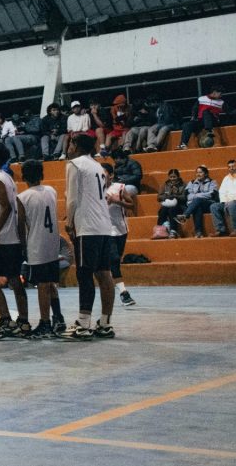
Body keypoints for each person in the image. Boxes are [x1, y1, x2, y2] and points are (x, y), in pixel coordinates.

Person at [63, 133, 117, 340]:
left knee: (84, 274)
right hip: (104, 225)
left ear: (75, 145)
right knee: (104, 274)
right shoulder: (98, 166)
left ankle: (83, 324)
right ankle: (105, 323)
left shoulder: (75, 164)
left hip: (87, 226)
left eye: (70, 143)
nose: (68, 147)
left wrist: (69, 223)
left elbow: (73, 198)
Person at [0, 142, 30, 340]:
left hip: (2, 240)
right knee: (14, 281)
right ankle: (23, 322)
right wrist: (22, 238)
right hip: (14, 239)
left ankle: (6, 321)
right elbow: (17, 209)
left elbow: (7, 207)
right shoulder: (8, 178)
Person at [16, 160, 63, 339]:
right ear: (42, 175)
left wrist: (22, 246)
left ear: (24, 177)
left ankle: (45, 323)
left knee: (42, 285)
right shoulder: (51, 190)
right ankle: (58, 317)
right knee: (51, 282)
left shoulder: (23, 197)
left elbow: (21, 225)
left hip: (37, 243)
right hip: (52, 241)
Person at [103, 163, 138, 307]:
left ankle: (112, 285)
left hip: (121, 230)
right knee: (114, 260)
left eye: (103, 174)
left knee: (116, 261)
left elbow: (131, 205)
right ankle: (124, 293)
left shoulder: (119, 188)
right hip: (105, 231)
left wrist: (117, 202)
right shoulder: (95, 190)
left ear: (110, 175)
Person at [176, 166, 218, 238]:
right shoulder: (192, 182)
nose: (198, 174)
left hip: (208, 204)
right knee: (197, 207)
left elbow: (211, 194)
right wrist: (198, 196)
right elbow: (187, 195)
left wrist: (196, 196)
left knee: (198, 200)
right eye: (197, 172)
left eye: (200, 172)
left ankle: (185, 215)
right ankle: (199, 232)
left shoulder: (212, 182)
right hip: (195, 204)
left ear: (205, 173)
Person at [157, 169, 187, 239]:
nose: (172, 179)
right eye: (171, 177)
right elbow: (159, 197)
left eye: (174, 177)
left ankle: (173, 230)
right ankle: (161, 229)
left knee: (172, 210)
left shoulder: (184, 185)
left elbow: (184, 197)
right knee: (162, 210)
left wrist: (176, 196)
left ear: (178, 177)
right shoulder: (165, 185)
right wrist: (167, 196)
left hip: (180, 205)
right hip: (167, 204)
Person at [211, 160, 236, 236]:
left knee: (232, 204)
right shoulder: (226, 178)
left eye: (233, 166)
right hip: (227, 202)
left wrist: (232, 200)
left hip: (235, 201)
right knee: (214, 206)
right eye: (229, 167)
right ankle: (221, 230)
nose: (231, 168)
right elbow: (222, 191)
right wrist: (224, 202)